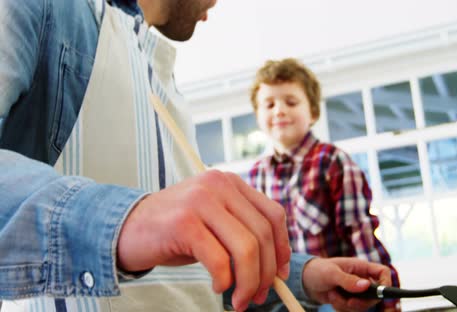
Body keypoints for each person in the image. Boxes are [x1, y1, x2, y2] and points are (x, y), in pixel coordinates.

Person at [0, 0, 393, 311]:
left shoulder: (163, 80)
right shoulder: (45, 10)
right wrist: (127, 219)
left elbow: (190, 277)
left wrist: (306, 276)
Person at [248, 58, 402, 312]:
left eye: (291, 102)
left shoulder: (333, 162)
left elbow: (360, 235)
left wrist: (387, 300)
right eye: (269, 104)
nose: (279, 111)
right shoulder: (257, 176)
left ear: (313, 113)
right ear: (258, 116)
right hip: (291, 298)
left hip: (339, 296)